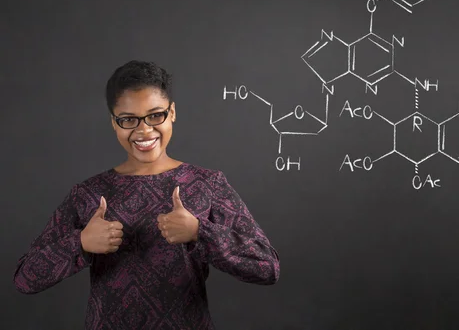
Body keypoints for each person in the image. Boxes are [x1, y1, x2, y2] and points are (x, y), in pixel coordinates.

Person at [13, 60, 280, 329]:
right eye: (129, 119)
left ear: (172, 112)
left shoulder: (207, 184)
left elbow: (267, 267)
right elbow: (25, 279)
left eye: (155, 115)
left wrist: (201, 232)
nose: (143, 130)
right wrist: (80, 243)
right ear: (114, 123)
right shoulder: (89, 193)